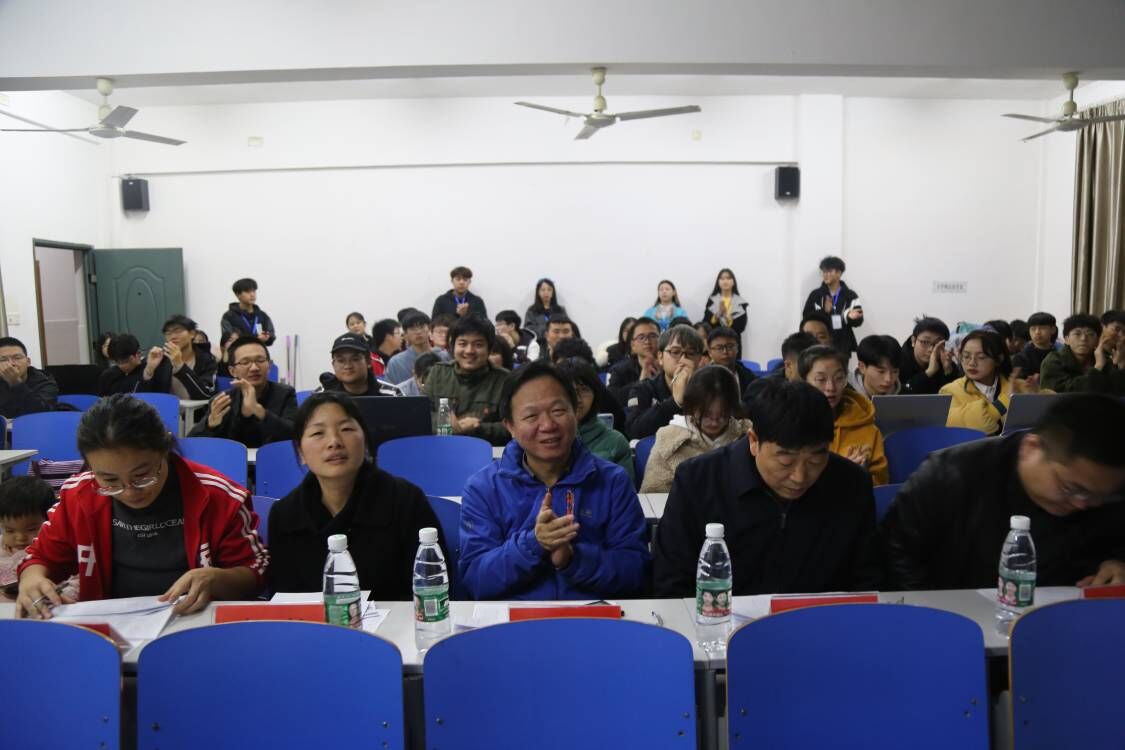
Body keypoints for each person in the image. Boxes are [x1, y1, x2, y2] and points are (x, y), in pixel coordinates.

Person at [16, 394, 266, 617]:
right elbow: (41, 557)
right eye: (110, 481)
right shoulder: (78, 495)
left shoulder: (219, 496)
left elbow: (256, 573)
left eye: (142, 475)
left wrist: (217, 579)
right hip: (112, 624)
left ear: (165, 448)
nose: (129, 491)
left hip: (194, 620)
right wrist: (32, 578)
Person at [652, 378, 881, 596]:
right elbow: (671, 582)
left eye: (814, 460)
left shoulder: (852, 485)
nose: (800, 477)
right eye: (786, 461)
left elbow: (868, 579)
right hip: (720, 618)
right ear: (754, 441)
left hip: (825, 618)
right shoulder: (698, 481)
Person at [882, 394, 1125, 590]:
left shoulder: (1108, 492)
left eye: (1097, 497)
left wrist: (1117, 562)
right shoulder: (948, 476)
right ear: (1031, 448)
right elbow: (896, 556)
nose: (1082, 504)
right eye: (1070, 488)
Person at [459, 362, 649, 600]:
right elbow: (476, 579)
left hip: (594, 615)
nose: (548, 425)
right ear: (510, 426)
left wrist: (573, 559)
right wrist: (533, 544)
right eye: (531, 416)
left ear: (575, 413)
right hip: (515, 618)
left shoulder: (612, 482)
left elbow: (636, 571)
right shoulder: (484, 488)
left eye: (558, 411)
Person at [266, 392, 444, 596]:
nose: (334, 442)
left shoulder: (405, 501)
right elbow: (284, 599)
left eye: (346, 429)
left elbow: (433, 588)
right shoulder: (285, 515)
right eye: (318, 433)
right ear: (300, 453)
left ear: (365, 442)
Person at [641, 366, 751, 493]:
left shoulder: (746, 435)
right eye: (706, 415)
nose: (714, 422)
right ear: (692, 407)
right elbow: (653, 491)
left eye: (722, 415)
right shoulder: (669, 440)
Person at [799, 345, 889, 485]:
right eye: (821, 379)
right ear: (804, 382)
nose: (831, 387)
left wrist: (861, 475)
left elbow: (881, 483)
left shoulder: (866, 426)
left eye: (839, 378)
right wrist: (841, 472)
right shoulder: (793, 425)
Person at [189, 336, 298, 447]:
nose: (254, 368)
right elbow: (191, 443)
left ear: (269, 365)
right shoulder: (223, 400)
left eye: (260, 360)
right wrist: (209, 426)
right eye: (245, 362)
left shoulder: (285, 394)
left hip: (271, 457)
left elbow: (295, 434)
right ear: (232, 371)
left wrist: (259, 411)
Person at [422, 316, 510, 445]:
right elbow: (421, 416)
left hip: (486, 451)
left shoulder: (504, 380)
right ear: (452, 346)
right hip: (442, 448)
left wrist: (478, 427)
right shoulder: (438, 372)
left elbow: (514, 427)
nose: (469, 351)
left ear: (489, 348)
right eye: (462, 344)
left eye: (478, 345)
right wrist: (444, 423)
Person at [940, 329, 1041, 435]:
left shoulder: (1020, 386)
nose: (972, 363)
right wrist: (1005, 401)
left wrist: (1036, 399)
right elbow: (965, 429)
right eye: (966, 356)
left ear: (999, 359)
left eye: (981, 357)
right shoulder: (950, 391)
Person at [555, 358, 634, 484]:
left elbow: (625, 492)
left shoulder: (616, 442)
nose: (577, 399)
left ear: (595, 394)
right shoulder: (544, 439)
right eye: (569, 391)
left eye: (583, 390)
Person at [0, 477, 78, 601]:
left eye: (31, 529)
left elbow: (72, 583)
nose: (20, 538)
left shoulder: (55, 551)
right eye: (10, 530)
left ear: (50, 521)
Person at [624, 324, 705, 440]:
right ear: (660, 357)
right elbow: (633, 431)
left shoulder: (709, 388)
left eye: (691, 353)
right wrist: (674, 403)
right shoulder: (643, 389)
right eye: (675, 352)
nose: (683, 359)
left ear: (700, 359)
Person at [1040, 313, 1125, 394]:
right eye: (1077, 334)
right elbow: (1061, 392)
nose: (1083, 339)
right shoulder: (1053, 360)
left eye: (1090, 334)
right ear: (1067, 339)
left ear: (1097, 340)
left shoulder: (1103, 358)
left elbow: (1117, 391)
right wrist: (1098, 367)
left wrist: (1120, 364)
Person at [145, 315, 218, 400]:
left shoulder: (207, 360)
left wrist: (180, 366)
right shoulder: (161, 359)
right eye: (168, 333)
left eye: (178, 331)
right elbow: (145, 396)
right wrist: (149, 370)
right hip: (166, 408)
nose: (173, 337)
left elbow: (206, 394)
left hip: (196, 408)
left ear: (192, 334)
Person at [802, 256, 863, 355]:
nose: (825, 275)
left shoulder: (850, 295)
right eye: (824, 272)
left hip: (843, 344)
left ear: (839, 273)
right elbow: (806, 317)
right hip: (820, 344)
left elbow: (858, 321)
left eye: (829, 271)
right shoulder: (816, 295)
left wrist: (850, 317)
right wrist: (824, 311)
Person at [606, 317, 661, 405]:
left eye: (652, 336)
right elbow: (610, 400)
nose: (647, 342)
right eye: (641, 337)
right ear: (633, 345)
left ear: (660, 340)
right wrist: (641, 383)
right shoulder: (619, 371)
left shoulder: (669, 365)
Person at [0, 336, 59, 418]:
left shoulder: (45, 382)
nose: (11, 364)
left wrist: (16, 383)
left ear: (28, 362)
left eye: (17, 358)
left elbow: (40, 415)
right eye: (3, 360)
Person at [385, 311, 448, 385]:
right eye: (412, 328)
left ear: (429, 329)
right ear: (405, 333)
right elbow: (390, 389)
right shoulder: (396, 362)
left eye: (421, 327)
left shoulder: (445, 357)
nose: (418, 332)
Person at [898, 316, 956, 395]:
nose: (931, 349)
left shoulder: (946, 361)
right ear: (913, 341)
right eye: (925, 342)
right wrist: (928, 373)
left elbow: (954, 396)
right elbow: (899, 394)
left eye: (937, 344)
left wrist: (948, 371)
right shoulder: (897, 362)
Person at [96, 334, 167, 396]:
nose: (122, 366)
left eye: (125, 361)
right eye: (118, 362)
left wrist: (149, 371)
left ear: (138, 354)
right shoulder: (108, 376)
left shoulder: (151, 366)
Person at [318, 333, 386, 397]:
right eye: (341, 361)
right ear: (333, 364)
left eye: (355, 359)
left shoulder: (388, 395)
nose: (347, 366)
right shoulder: (321, 397)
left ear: (368, 362)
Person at [220, 277, 276, 347]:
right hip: (239, 353)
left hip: (259, 352)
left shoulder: (262, 315)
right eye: (248, 291)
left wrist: (267, 338)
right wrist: (256, 339)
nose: (252, 294)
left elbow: (271, 337)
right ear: (238, 294)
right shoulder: (229, 316)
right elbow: (228, 340)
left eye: (254, 291)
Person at [706, 326, 756, 397]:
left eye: (730, 346)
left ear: (737, 348)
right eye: (719, 348)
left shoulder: (749, 377)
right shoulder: (702, 378)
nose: (725, 352)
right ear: (709, 352)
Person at [702, 268, 749, 338]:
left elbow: (741, 327)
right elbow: (706, 324)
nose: (725, 281)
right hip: (715, 340)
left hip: (733, 341)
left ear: (733, 282)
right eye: (722, 278)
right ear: (718, 282)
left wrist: (726, 316)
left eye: (728, 278)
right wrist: (718, 314)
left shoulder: (740, 302)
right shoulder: (712, 300)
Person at [1012, 312, 1058, 377]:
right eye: (1033, 329)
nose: (1037, 332)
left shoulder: (1059, 355)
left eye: (1042, 328)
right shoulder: (1021, 358)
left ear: (1053, 330)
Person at [524, 278, 569, 344]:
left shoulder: (560, 310)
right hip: (539, 344)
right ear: (538, 292)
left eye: (549, 289)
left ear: (553, 293)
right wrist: (549, 329)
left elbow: (567, 327)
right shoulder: (532, 310)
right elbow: (528, 331)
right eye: (543, 290)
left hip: (559, 344)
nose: (546, 292)